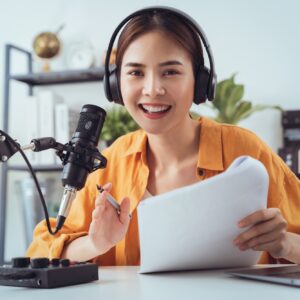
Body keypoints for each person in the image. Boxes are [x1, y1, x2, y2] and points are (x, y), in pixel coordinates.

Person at [27, 7, 300, 266]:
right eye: (135, 72)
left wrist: (284, 244)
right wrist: (95, 244)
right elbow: (41, 251)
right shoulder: (108, 165)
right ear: (115, 85)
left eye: (170, 72)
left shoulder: (246, 151)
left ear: (200, 83)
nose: (152, 89)